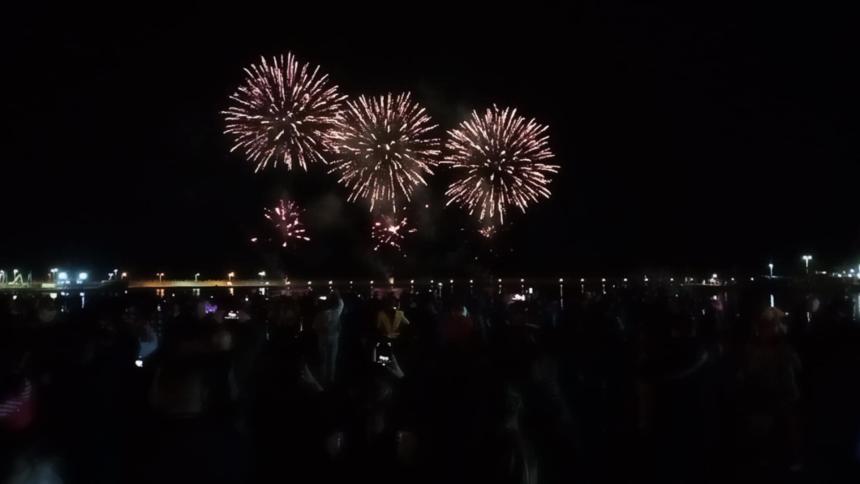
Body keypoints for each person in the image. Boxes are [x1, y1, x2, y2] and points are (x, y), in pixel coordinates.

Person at [312, 291, 344, 385]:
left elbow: (314, 327)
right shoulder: (335, 313)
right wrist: (338, 295)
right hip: (334, 338)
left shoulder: (319, 315)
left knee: (323, 360)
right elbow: (341, 304)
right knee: (332, 360)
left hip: (322, 339)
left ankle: (323, 380)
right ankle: (331, 380)